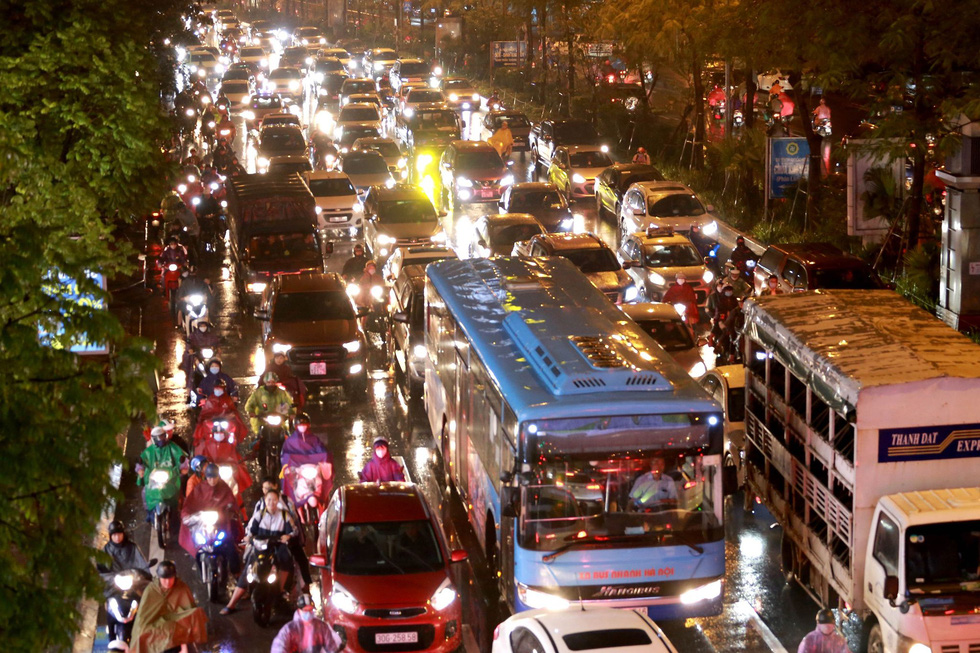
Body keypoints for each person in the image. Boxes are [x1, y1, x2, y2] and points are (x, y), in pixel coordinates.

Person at [222, 487, 296, 615]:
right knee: (249, 568)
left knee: (286, 559)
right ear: (265, 500)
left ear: (278, 501)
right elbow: (250, 530)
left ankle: (281, 590)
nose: (271, 503)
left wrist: (287, 536)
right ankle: (232, 604)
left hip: (277, 545)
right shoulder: (259, 515)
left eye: (274, 500)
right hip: (261, 546)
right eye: (269, 500)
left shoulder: (284, 515)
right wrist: (248, 537)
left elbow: (293, 530)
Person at [129, 561, 207, 653]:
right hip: (156, 625)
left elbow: (188, 609)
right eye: (164, 579)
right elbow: (143, 617)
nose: (167, 582)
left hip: (175, 624)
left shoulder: (181, 587)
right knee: (141, 633)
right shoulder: (151, 589)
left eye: (170, 578)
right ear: (159, 577)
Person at [179, 463, 242, 573]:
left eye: (215, 477)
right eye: (210, 477)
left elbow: (231, 502)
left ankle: (236, 573)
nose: (212, 480)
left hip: (221, 523)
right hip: (203, 524)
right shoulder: (199, 489)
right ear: (206, 477)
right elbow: (190, 504)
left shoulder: (224, 488)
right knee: (196, 545)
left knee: (231, 546)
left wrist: (229, 510)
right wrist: (187, 515)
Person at [281, 414, 334, 514]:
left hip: (312, 468)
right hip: (299, 469)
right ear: (296, 426)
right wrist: (290, 464)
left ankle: (323, 498)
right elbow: (285, 455)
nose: (302, 426)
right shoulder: (290, 441)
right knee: (289, 481)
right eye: (300, 425)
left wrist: (325, 458)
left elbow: (321, 450)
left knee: (321, 480)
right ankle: (293, 502)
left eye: (304, 424)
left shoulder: (314, 439)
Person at [136, 427, 186, 523]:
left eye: (162, 437)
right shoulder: (149, 451)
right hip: (154, 479)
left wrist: (183, 465)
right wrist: (140, 468)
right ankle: (149, 512)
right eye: (158, 438)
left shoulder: (172, 447)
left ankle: (179, 511)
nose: (161, 440)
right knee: (145, 492)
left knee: (179, 491)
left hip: (170, 477)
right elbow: (141, 461)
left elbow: (181, 457)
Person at [271, 594, 343, 653]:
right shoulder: (289, 629)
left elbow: (331, 647)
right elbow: (279, 647)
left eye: (310, 610)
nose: (308, 613)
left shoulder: (321, 627)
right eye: (305, 610)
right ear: (299, 610)